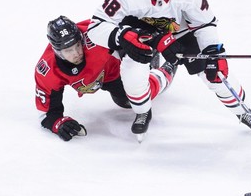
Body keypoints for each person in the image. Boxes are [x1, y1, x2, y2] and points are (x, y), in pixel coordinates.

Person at [87, 0, 251, 135]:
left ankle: (242, 111)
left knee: (213, 71)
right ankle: (142, 112)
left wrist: (213, 52)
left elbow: (205, 23)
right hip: (141, 34)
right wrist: (122, 36)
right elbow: (96, 26)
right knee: (133, 74)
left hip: (177, 30)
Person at [35, 15, 176, 141]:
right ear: (57, 51)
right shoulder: (47, 70)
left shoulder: (93, 33)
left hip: (114, 67)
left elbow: (127, 27)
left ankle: (167, 70)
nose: (77, 53)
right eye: (68, 50)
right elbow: (47, 114)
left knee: (134, 98)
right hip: (101, 75)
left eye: (78, 45)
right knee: (124, 102)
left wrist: (155, 39)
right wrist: (59, 124)